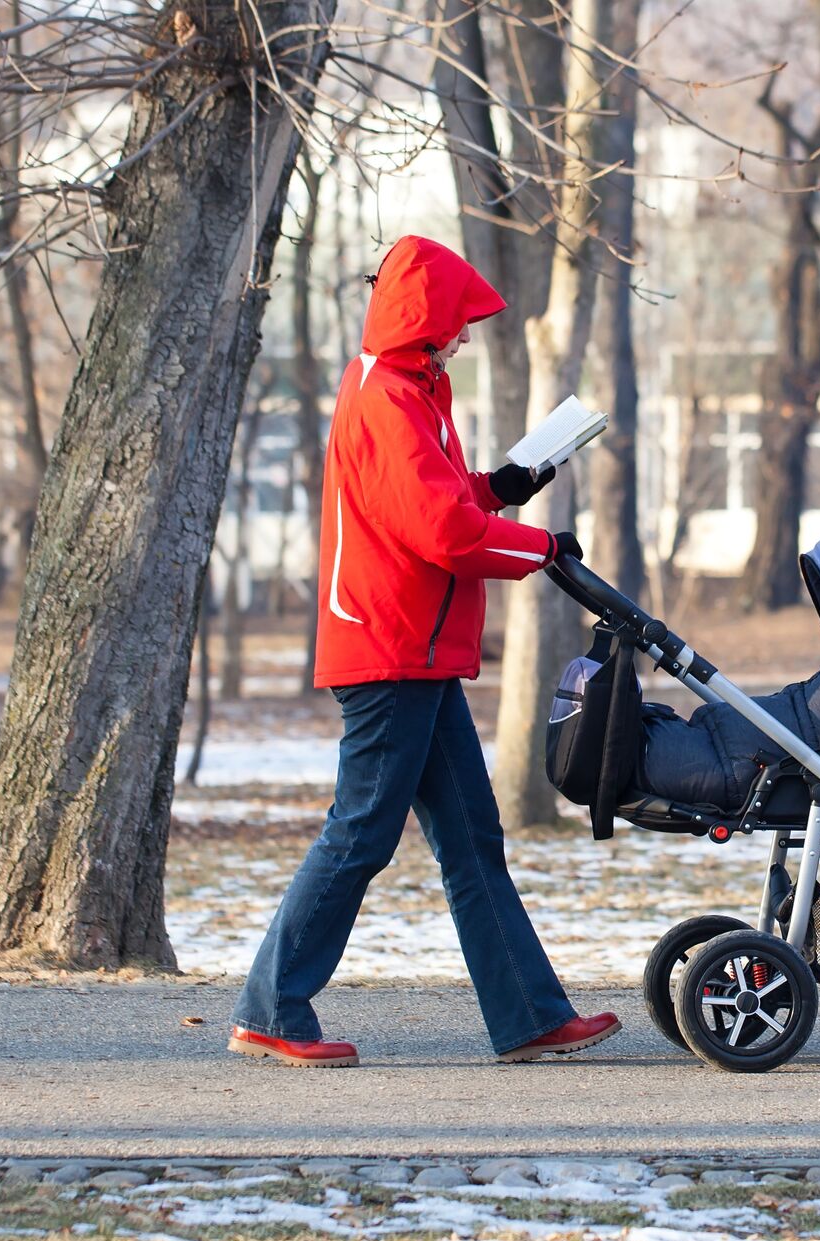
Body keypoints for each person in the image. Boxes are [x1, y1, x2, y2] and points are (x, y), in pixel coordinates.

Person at [228, 234, 618, 1067]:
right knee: (363, 830)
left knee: (472, 837)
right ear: (427, 319)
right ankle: (269, 1006)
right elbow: (441, 533)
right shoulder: (387, 399)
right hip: (387, 647)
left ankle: (528, 1016)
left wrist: (503, 488)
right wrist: (538, 547)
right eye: (459, 320)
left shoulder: (410, 389)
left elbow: (440, 502)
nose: (467, 336)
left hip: (419, 650)